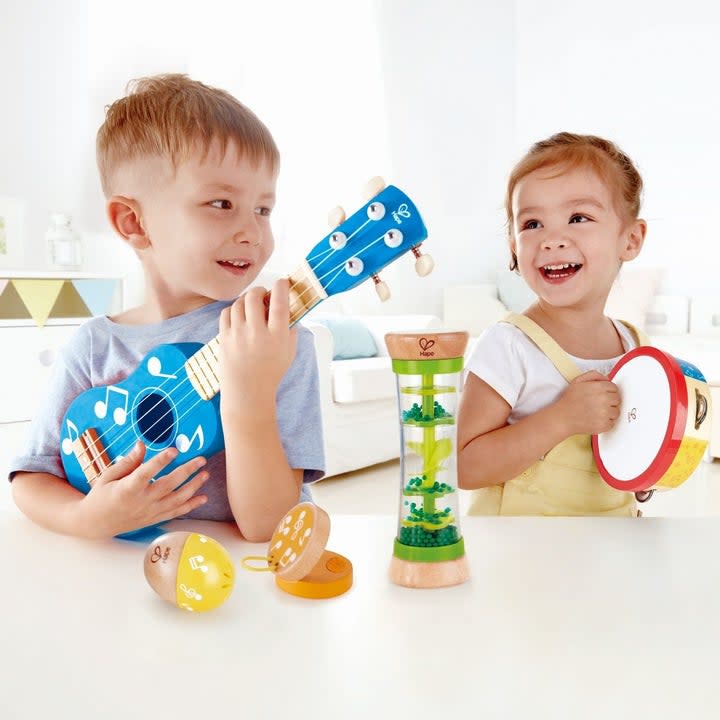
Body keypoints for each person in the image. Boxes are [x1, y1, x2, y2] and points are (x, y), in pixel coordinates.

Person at [9, 74, 325, 540]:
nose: (252, 233)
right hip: (116, 578)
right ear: (134, 223)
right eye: (221, 203)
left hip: (240, 583)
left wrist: (248, 393)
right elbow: (32, 480)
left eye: (263, 209)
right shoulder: (96, 347)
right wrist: (88, 518)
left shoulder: (277, 342)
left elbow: (269, 527)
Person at [457, 132, 648, 516]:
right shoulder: (509, 345)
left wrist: (645, 470)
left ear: (630, 239)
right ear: (514, 246)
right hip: (523, 556)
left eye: (578, 218)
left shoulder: (634, 345)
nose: (552, 239)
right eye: (532, 224)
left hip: (607, 546)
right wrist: (562, 419)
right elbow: (463, 465)